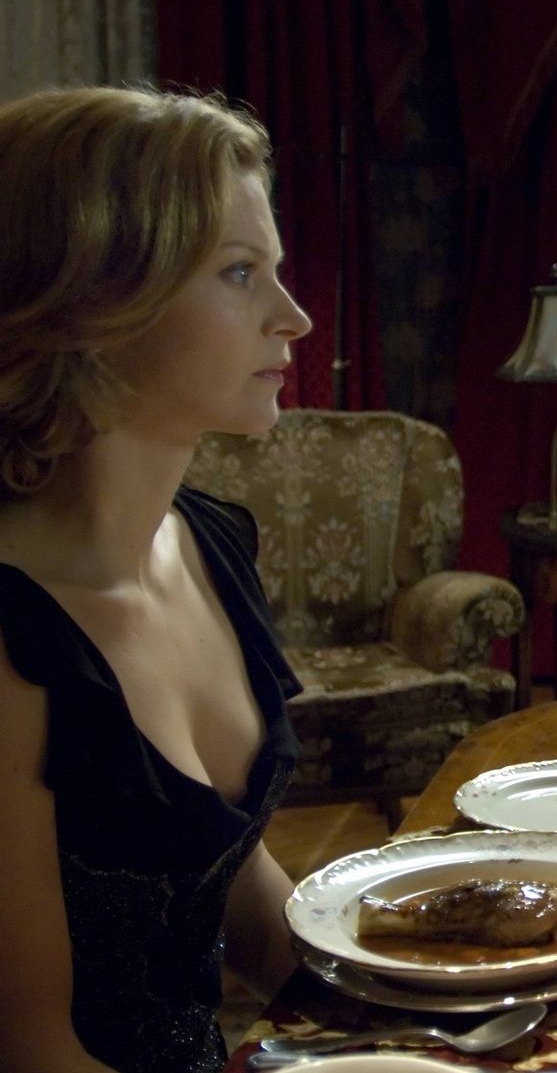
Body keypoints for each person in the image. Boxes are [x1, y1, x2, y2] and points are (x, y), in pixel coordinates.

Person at [0, 87, 314, 1072]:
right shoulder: (13, 644)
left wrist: (420, 1014)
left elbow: (224, 877)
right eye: (239, 273)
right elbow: (35, 1050)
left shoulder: (209, 544)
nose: (295, 318)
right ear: (92, 302)